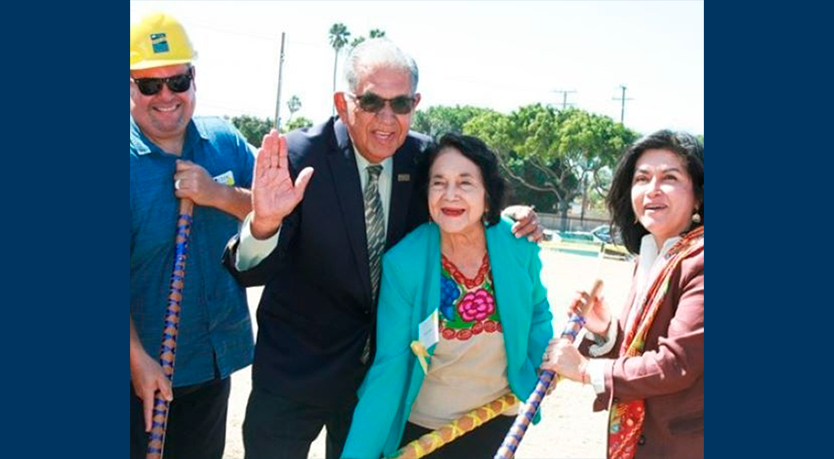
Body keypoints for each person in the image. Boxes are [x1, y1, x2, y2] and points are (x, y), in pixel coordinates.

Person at [221, 39, 542, 459]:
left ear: (416, 102)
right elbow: (249, 272)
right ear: (343, 102)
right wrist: (264, 223)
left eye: (401, 103)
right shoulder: (301, 157)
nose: (387, 119)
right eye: (372, 102)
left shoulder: (424, 159)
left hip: (381, 381)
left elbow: (460, 208)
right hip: (295, 374)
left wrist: (508, 217)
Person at [340, 133, 554, 459]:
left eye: (465, 183)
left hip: (498, 419)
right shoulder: (404, 263)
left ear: (487, 194)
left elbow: (538, 311)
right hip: (426, 432)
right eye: (438, 183)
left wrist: (541, 364)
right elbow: (390, 367)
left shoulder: (517, 244)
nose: (450, 195)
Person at [130, 12, 255, 459]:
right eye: (150, 85)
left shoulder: (225, 141)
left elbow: (272, 206)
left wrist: (218, 193)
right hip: (137, 371)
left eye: (178, 81)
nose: (166, 95)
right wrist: (136, 360)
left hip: (209, 362)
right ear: (129, 87)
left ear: (193, 79)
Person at [541, 130, 704, 459]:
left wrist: (586, 370)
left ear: (698, 196)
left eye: (669, 177)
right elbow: (640, 352)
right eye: (642, 178)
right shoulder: (651, 257)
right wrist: (606, 330)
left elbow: (676, 364)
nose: (652, 189)